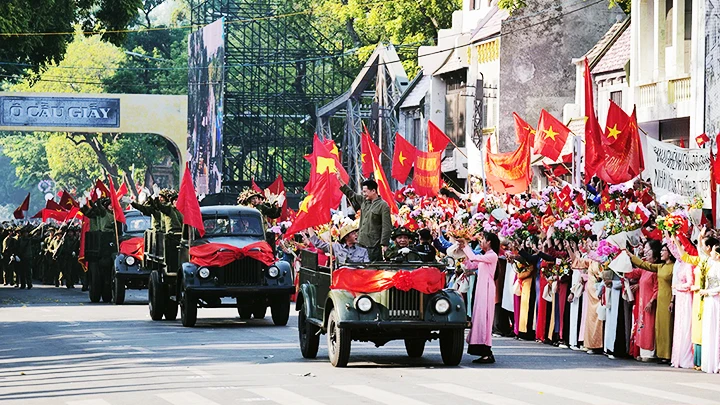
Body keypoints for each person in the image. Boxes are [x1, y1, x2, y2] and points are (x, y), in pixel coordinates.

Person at [629, 242, 676, 363]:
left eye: (663, 251)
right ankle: (661, 354)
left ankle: (667, 355)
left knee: (666, 326)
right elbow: (644, 265)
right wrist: (630, 255)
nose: (661, 252)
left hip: (667, 298)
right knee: (659, 327)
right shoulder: (660, 267)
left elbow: (673, 285)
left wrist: (672, 300)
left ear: (670, 253)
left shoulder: (674, 267)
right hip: (660, 299)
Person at [463, 231, 500, 364]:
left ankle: (487, 352)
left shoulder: (492, 256)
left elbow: (473, 257)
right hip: (481, 289)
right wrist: (463, 251)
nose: (481, 241)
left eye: (483, 239)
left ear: (489, 242)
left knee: (484, 318)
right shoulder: (485, 256)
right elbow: (471, 264)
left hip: (487, 289)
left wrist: (466, 245)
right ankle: (482, 350)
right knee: (478, 318)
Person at [337, 175, 392, 262]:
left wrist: (384, 245)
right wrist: (340, 179)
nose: (364, 194)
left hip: (373, 246)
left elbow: (387, 227)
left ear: (373, 191)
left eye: (365, 191)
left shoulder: (383, 205)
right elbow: (351, 194)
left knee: (371, 270)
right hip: (360, 243)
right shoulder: (364, 201)